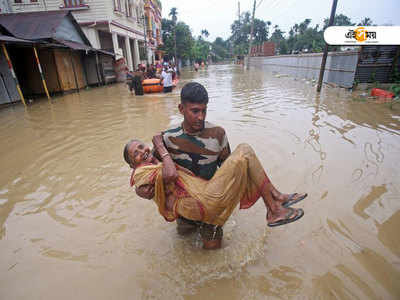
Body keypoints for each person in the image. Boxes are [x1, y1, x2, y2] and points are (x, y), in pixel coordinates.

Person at [133, 82, 307, 249]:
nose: (200, 117)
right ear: (181, 109)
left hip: (212, 204)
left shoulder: (217, 134)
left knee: (213, 252)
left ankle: (273, 203)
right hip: (185, 213)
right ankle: (275, 202)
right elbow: (147, 171)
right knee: (185, 250)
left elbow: (231, 171)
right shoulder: (167, 139)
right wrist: (139, 191)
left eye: (204, 111)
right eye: (194, 111)